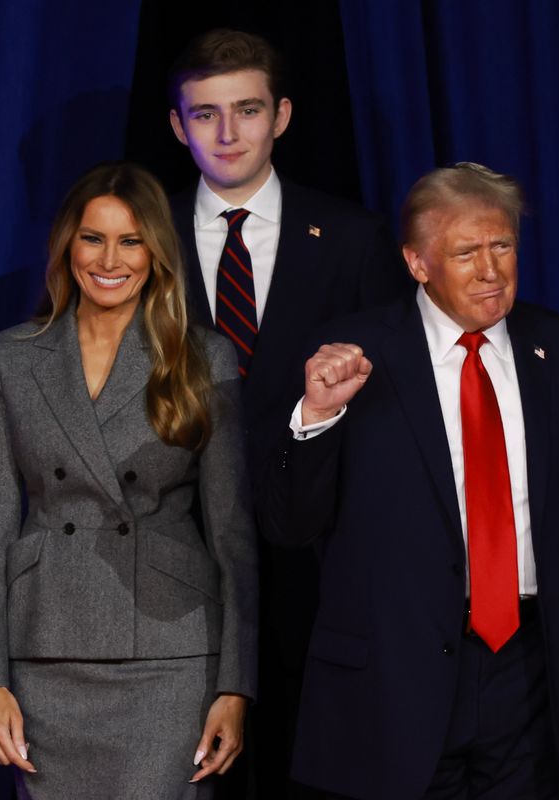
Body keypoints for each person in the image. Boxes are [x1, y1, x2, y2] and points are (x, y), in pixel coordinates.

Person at [259, 163, 559, 799]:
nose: (491, 270)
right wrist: (316, 418)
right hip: (393, 680)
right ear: (417, 263)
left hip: (533, 676)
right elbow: (289, 525)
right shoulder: (348, 355)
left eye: (502, 246)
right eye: (466, 252)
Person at [0, 161, 258, 799]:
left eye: (130, 241)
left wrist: (235, 684)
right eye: (93, 237)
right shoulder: (11, 358)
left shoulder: (202, 357)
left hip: (171, 653)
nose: (110, 259)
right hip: (46, 649)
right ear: (67, 243)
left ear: (155, 252)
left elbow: (233, 531)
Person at [166, 28, 408, 796]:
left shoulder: (353, 237)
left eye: (247, 110)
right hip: (176, 571)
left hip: (316, 569)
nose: (228, 133)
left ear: (283, 115)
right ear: (178, 125)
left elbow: (390, 410)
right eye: (205, 115)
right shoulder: (141, 241)